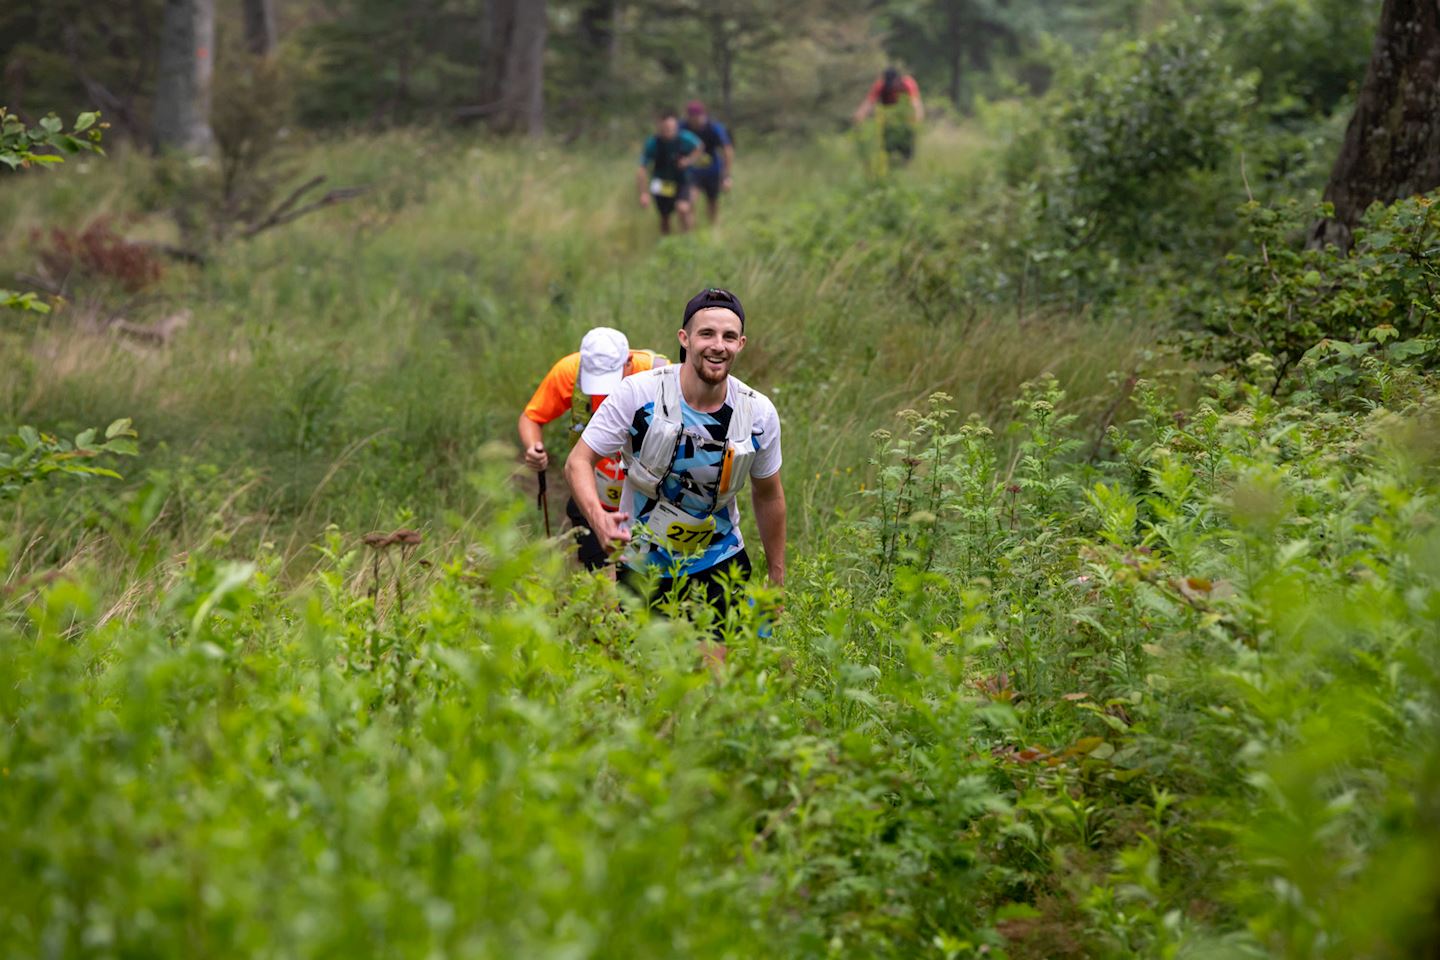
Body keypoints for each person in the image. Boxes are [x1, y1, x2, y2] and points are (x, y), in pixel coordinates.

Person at [565, 288, 786, 622]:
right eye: (706, 333)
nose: (718, 345)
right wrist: (599, 520)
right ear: (685, 338)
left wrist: (776, 576)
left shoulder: (757, 413)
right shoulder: (638, 393)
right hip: (641, 564)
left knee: (714, 671)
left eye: (729, 336)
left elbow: (769, 494)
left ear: (741, 344)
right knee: (647, 669)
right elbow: (578, 461)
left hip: (719, 558)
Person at [519, 327, 668, 570]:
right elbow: (531, 417)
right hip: (593, 485)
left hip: (645, 490)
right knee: (598, 569)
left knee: (642, 577)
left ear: (628, 361)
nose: (602, 392)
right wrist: (533, 447)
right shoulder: (569, 372)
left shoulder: (660, 374)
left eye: (608, 377)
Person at [637, 110, 704, 235]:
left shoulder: (685, 137)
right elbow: (642, 169)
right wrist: (643, 193)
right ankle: (667, 244)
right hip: (661, 183)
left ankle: (688, 239)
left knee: (683, 208)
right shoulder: (652, 143)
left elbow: (699, 147)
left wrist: (688, 161)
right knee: (664, 216)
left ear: (676, 126)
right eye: (665, 128)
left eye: (671, 128)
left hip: (681, 181)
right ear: (659, 127)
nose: (668, 131)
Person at [853, 66, 925, 165]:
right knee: (887, 149)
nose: (892, 86)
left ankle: (904, 167)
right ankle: (889, 168)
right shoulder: (881, 85)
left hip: (906, 121)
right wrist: (859, 116)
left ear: (898, 79)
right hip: (888, 122)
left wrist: (917, 122)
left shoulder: (908, 83)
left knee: (906, 151)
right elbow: (869, 102)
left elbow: (916, 104)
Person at [681, 100, 735, 226]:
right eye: (693, 117)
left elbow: (727, 150)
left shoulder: (714, 128)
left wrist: (727, 176)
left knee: (712, 202)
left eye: (699, 116)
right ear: (688, 117)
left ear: (704, 114)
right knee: (689, 202)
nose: (697, 120)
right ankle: (689, 236)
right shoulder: (682, 127)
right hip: (692, 172)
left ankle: (714, 230)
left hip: (713, 171)